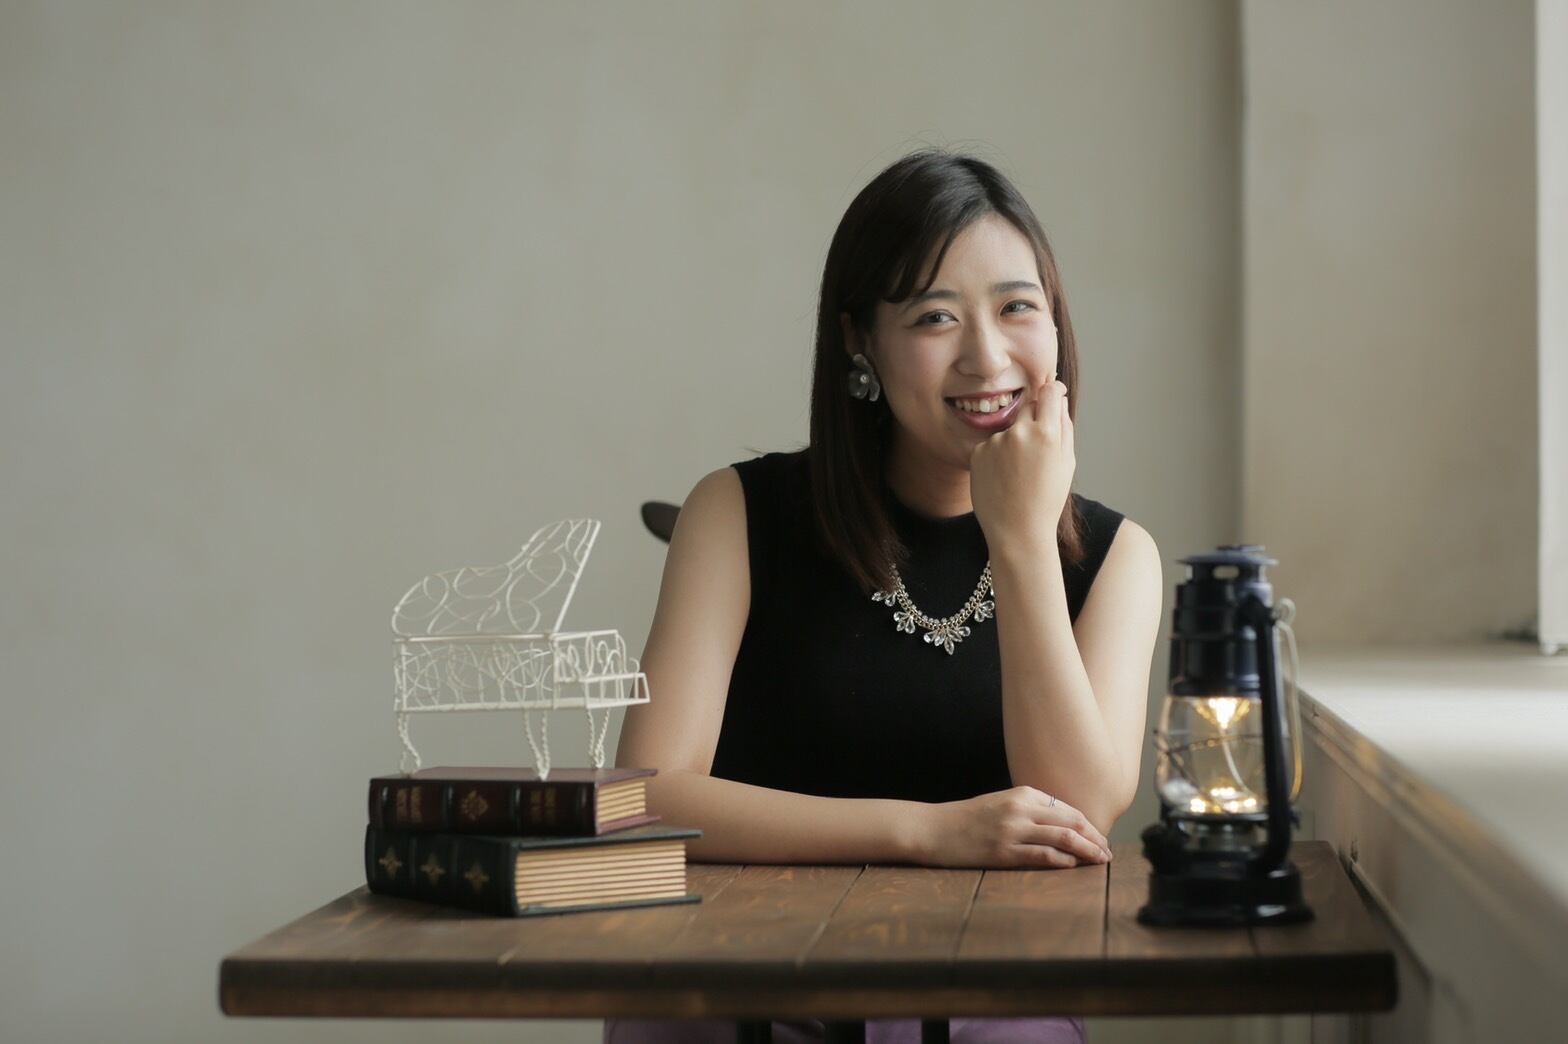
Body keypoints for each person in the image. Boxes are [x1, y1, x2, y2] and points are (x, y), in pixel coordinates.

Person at [606, 147, 1165, 1043]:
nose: (987, 356)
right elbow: (647, 798)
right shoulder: (736, 513)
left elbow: (1078, 810)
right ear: (858, 340)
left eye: (1018, 307)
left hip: (988, 1000)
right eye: (935, 317)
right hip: (740, 983)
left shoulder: (1116, 558)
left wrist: (1022, 539)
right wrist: (926, 833)